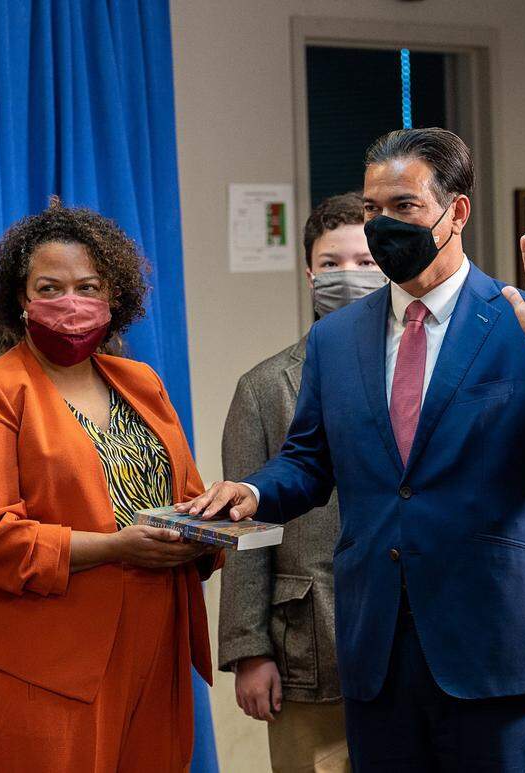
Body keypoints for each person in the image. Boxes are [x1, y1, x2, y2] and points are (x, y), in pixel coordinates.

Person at [181, 128, 525, 770]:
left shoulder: (518, 321)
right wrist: (253, 491)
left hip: (493, 651)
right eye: (372, 210)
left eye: (404, 208)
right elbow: (309, 462)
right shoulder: (337, 340)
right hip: (377, 652)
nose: (382, 225)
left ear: (458, 212)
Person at [0, 198, 222, 772]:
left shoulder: (140, 382)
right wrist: (118, 545)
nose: (71, 304)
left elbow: (183, 493)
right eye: (49, 288)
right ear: (20, 299)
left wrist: (215, 518)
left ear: (114, 297)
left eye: (89, 287)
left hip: (154, 639)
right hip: (40, 657)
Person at [219, 192, 383, 773]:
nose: (349, 276)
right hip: (309, 637)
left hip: (405, 639)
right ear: (309, 271)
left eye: (366, 261)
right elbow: (245, 527)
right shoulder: (265, 387)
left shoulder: (418, 367)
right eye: (332, 263)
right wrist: (249, 649)